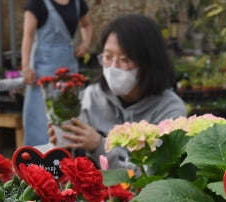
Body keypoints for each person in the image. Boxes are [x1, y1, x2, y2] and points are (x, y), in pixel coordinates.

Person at [50, 14, 187, 169]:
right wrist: (62, 143)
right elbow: (71, 164)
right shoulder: (91, 97)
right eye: (108, 57)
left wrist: (99, 146)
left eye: (124, 60)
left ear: (148, 62)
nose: (113, 67)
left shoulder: (170, 111)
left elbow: (149, 178)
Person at [20, 0, 93, 146]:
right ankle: (36, 165)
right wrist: (25, 67)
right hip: (43, 70)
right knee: (40, 119)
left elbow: (87, 24)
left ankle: (66, 166)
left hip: (70, 69)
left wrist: (85, 43)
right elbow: (28, 35)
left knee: (68, 118)